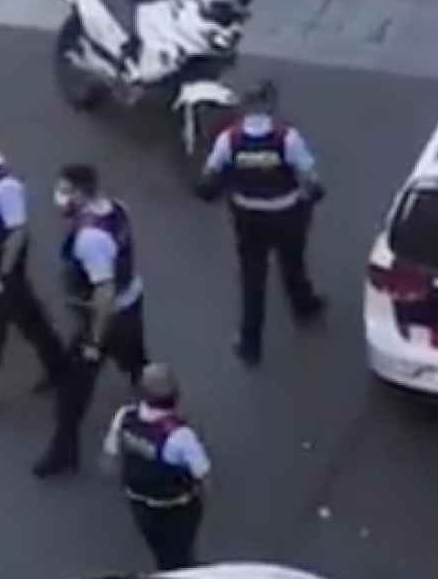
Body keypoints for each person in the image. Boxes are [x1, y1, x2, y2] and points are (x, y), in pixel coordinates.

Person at [196, 80, 327, 366]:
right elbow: (308, 173)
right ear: (269, 105)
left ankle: (250, 344)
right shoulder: (287, 137)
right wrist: (313, 191)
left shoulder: (229, 139)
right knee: (293, 262)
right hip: (287, 214)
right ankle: (303, 305)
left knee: (252, 280)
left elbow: (211, 173)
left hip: (248, 217)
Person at [35, 163, 149, 478]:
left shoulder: (90, 239)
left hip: (107, 319)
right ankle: (152, 401)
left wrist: (94, 342)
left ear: (83, 194)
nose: (59, 198)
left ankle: (63, 453)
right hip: (131, 304)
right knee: (135, 358)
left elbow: (104, 291)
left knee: (73, 392)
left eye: (66, 192)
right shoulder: (116, 209)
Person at [0, 123, 67, 404]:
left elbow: (17, 232)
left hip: (3, 259)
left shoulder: (5, 185)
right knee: (26, 313)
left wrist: (1, 274)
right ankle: (59, 364)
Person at [102, 363, 211, 572]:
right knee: (180, 550)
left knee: (159, 547)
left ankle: (168, 566)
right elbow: (205, 476)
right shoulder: (180, 435)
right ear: (176, 395)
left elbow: (109, 460)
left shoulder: (125, 416)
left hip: (139, 504)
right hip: (176, 507)